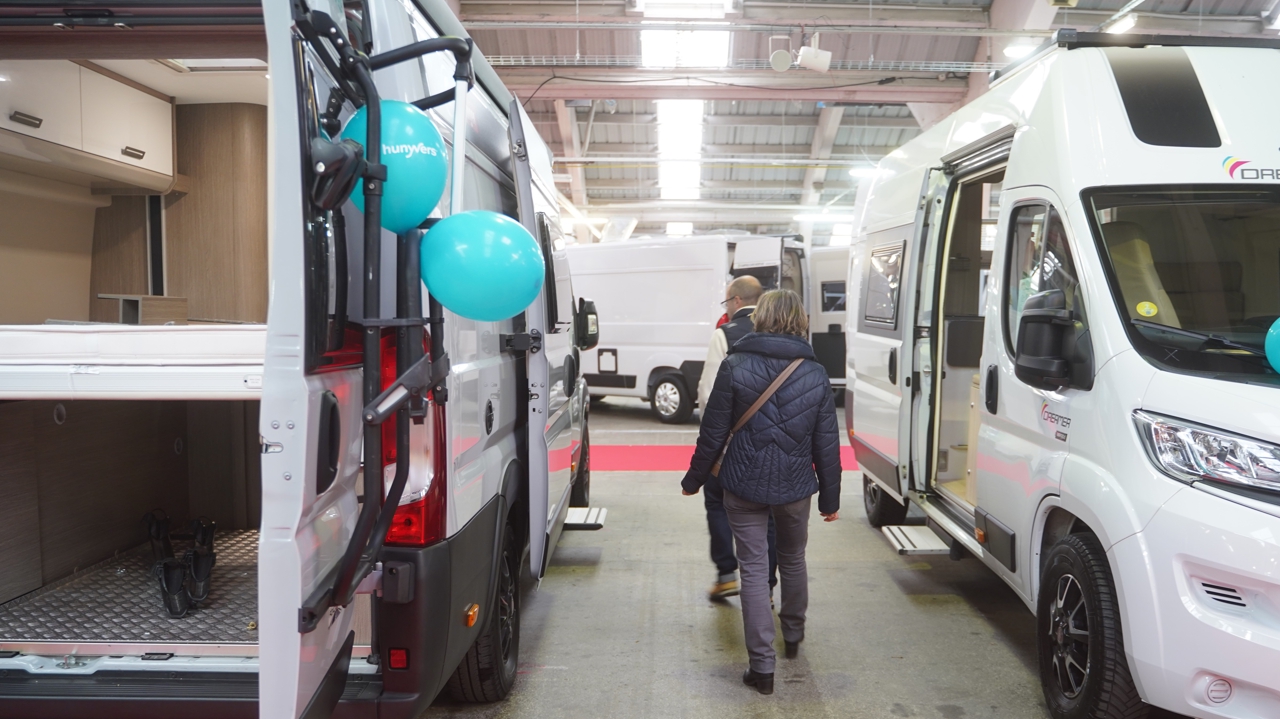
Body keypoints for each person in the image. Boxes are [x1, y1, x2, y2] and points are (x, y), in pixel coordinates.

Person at [681, 289, 842, 696]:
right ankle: (792, 635)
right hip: (794, 487)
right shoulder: (815, 373)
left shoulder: (735, 365)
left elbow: (713, 432)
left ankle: (762, 668)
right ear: (801, 321)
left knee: (752, 568)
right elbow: (826, 442)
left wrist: (694, 479)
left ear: (761, 318)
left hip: (743, 483)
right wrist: (830, 499)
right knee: (792, 558)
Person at [695, 276, 776, 601]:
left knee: (717, 501)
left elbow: (707, 393)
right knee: (768, 512)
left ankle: (727, 573)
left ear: (737, 301)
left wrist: (712, 438)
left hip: (730, 444)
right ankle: (766, 587)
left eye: (726, 302)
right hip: (774, 444)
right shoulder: (779, 333)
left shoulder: (724, 334)